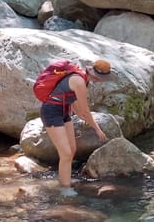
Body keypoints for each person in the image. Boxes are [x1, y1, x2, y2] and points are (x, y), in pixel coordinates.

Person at [40, 59, 110, 196]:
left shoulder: (84, 80)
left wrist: (83, 118)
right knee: (65, 153)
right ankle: (65, 189)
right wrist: (97, 129)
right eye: (101, 78)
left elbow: (77, 108)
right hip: (51, 112)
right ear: (96, 76)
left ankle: (65, 179)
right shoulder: (79, 81)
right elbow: (85, 110)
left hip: (64, 111)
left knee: (71, 149)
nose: (100, 81)